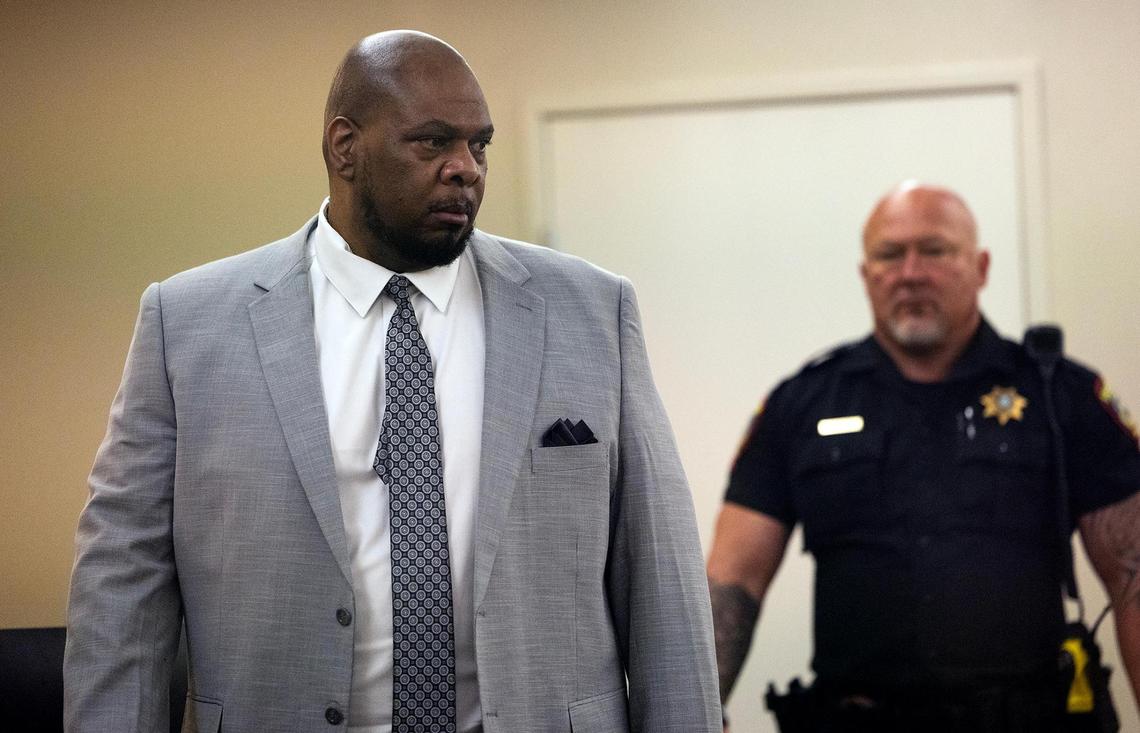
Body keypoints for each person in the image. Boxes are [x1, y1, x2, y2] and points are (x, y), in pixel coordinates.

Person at [64, 30, 720, 732]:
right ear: (345, 148)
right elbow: (123, 591)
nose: (465, 169)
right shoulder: (188, 323)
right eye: (432, 143)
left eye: (479, 145)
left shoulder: (591, 309)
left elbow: (664, 583)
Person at [707, 182, 1140, 731]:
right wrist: (690, 705)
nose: (910, 272)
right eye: (889, 254)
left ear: (980, 267)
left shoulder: (1059, 398)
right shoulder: (802, 403)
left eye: (935, 250)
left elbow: (1133, 576)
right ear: (866, 275)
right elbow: (733, 580)